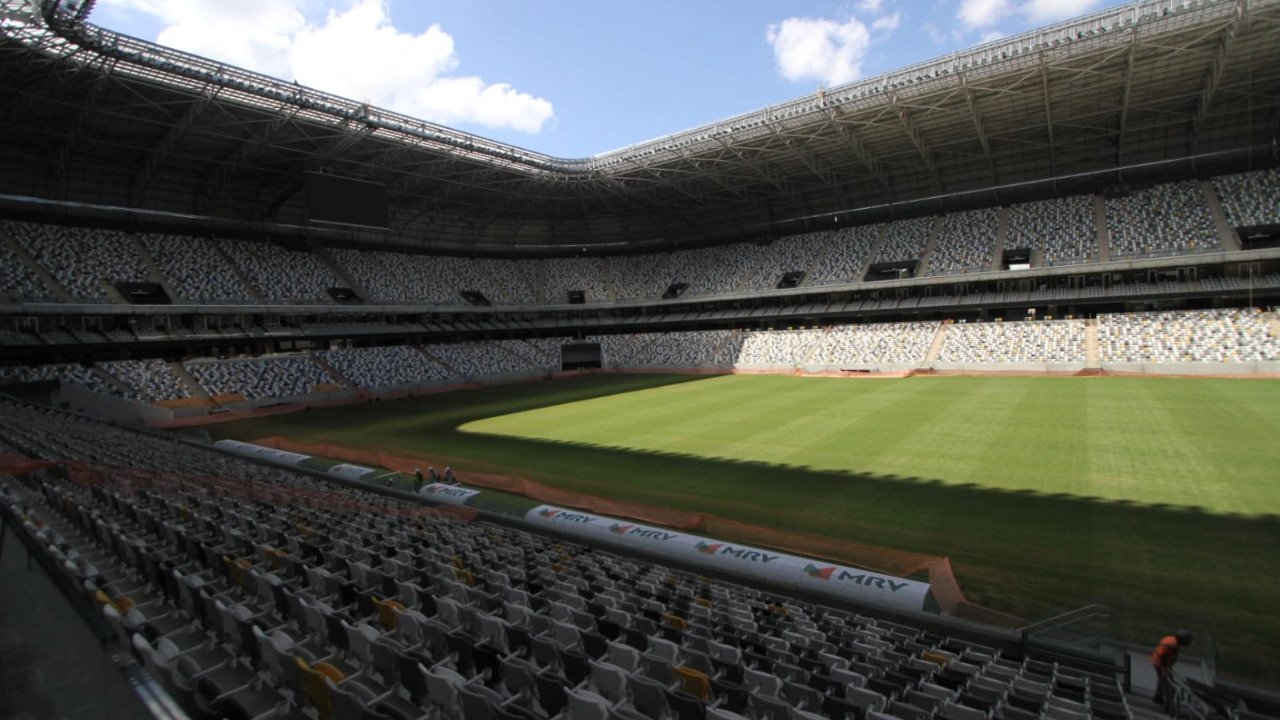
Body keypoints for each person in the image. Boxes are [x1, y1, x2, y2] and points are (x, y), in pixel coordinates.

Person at [1152, 629, 1193, 704]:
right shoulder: (1172, 646)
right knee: (1169, 686)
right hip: (1161, 665)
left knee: (1162, 681)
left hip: (1162, 664)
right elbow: (1161, 656)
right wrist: (1164, 669)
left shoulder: (1171, 640)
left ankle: (1158, 697)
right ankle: (1169, 705)